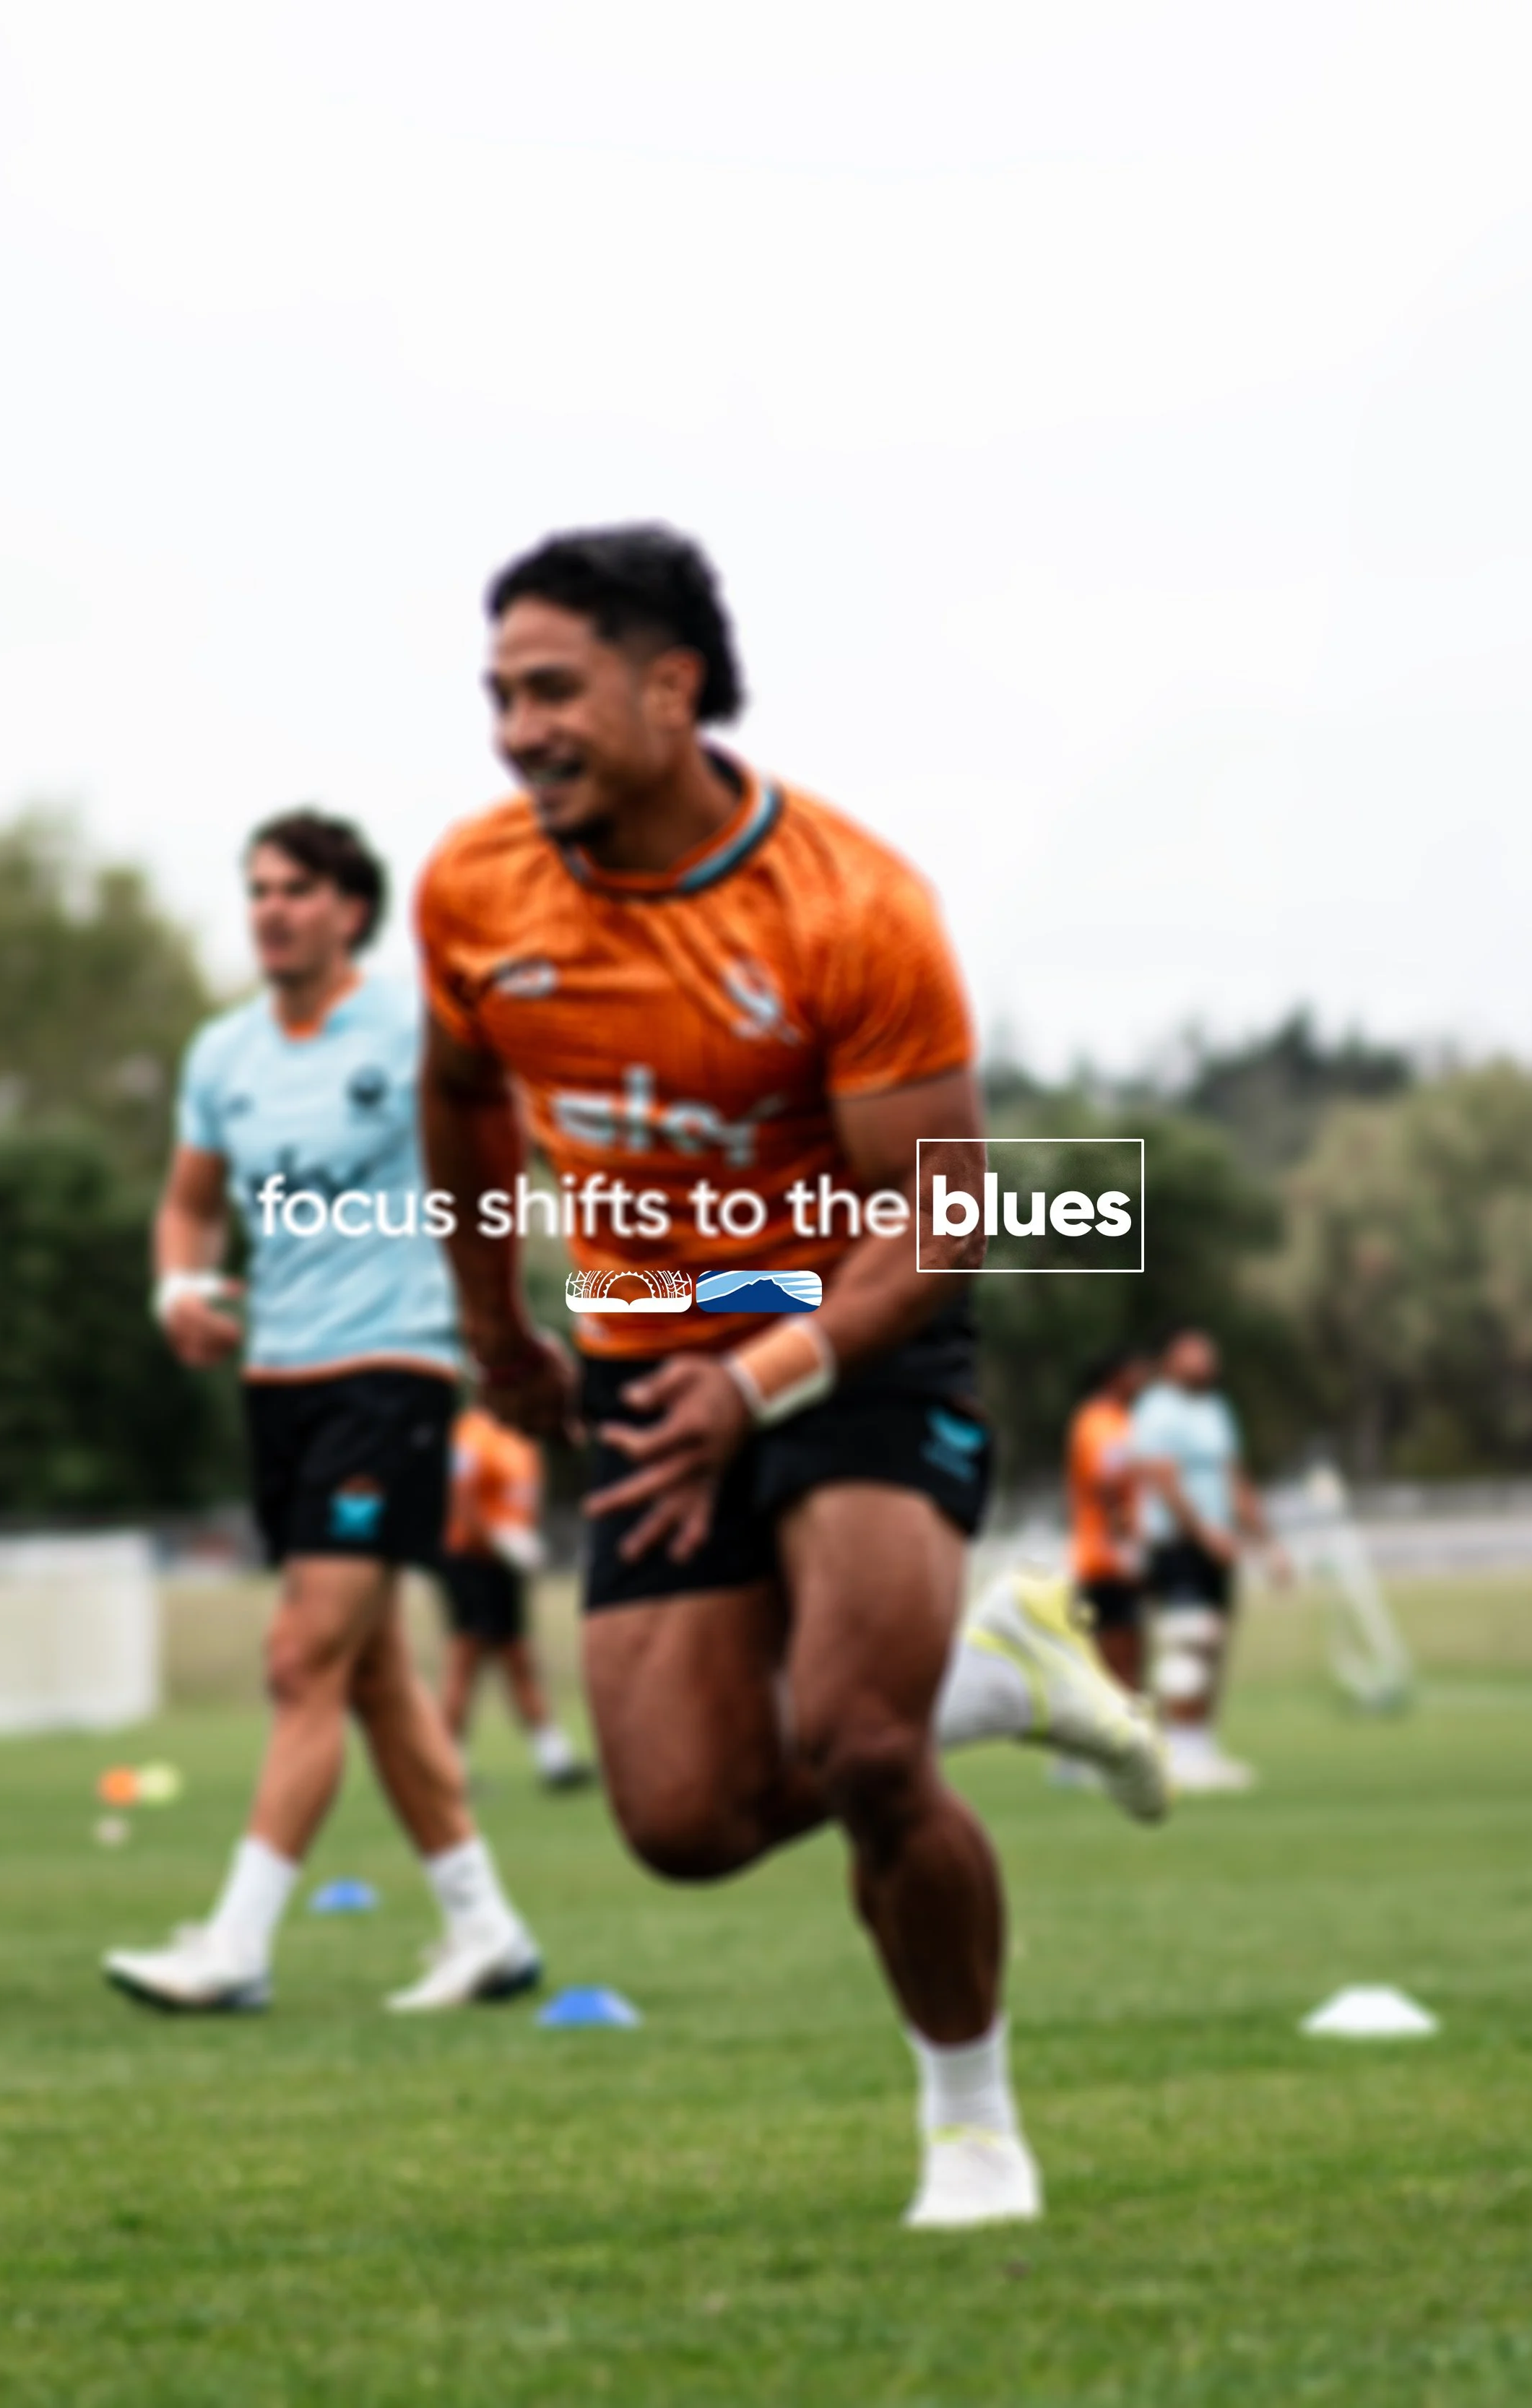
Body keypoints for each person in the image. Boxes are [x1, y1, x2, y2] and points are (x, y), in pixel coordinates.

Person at [416, 524, 1163, 2230]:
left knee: (864, 1749)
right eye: (499, 696)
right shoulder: (471, 887)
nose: (517, 732)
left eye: (552, 691)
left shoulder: (852, 905)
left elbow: (941, 1219)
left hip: (852, 1333)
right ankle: (997, 1674)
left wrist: (757, 1378)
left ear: (670, 688)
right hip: (640, 1351)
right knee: (681, 1822)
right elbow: (458, 1099)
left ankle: (970, 2131)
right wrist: (496, 1328)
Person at [103, 810, 540, 2014]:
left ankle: (235, 1946)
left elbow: (501, 1149)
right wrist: (178, 1286)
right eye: (257, 888)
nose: (271, 909)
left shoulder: (413, 1028)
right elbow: (190, 1206)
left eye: (296, 888)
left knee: (301, 1655)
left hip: (392, 1367)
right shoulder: (222, 1053)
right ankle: (486, 1926)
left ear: (352, 909)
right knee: (372, 1669)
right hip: (278, 1382)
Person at [1133, 1327, 1289, 1793]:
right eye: (1195, 1355)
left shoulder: (1217, 1409)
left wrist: (1268, 1545)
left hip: (1219, 1545)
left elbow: (1234, 1479)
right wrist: (1204, 1534)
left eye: (1209, 1356)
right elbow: (1164, 1480)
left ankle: (1200, 1746)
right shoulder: (1156, 1409)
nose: (1205, 1363)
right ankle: (1175, 1751)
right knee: (1187, 1640)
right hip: (1177, 1543)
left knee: (1213, 1644)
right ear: (1171, 1360)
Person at [432, 1404, 592, 1790]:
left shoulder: (523, 1431)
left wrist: (523, 1543)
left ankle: (554, 1757)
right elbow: (461, 1498)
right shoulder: (471, 1432)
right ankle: (444, 1766)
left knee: (518, 1656)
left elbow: (524, 1499)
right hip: (471, 1559)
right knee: (466, 1657)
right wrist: (498, 1540)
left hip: (506, 1566)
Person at [1065, 1346, 1156, 1692]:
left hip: (1112, 1559)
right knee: (1119, 1670)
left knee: (1128, 1667)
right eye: (1135, 1371)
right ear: (1115, 1377)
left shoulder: (1120, 1418)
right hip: (1106, 1562)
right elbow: (1109, 1483)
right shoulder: (1101, 1421)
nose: (1142, 1379)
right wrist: (1126, 1548)